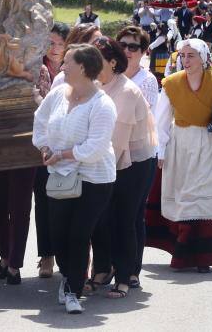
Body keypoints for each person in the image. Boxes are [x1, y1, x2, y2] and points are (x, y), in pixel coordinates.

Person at [32, 44, 117, 314]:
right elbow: (40, 120)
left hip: (94, 179)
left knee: (79, 234)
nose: (62, 66)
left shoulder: (103, 104)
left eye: (67, 62)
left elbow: (95, 148)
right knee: (58, 234)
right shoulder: (57, 94)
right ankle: (70, 277)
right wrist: (45, 148)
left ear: (82, 67)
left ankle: (73, 290)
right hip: (60, 176)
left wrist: (62, 154)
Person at [147, 39, 212, 272]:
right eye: (183, 55)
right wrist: (160, 151)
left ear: (203, 58)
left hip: (211, 145)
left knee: (205, 197)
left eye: (191, 55)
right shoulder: (171, 83)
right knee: (186, 198)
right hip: (182, 145)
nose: (186, 60)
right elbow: (160, 121)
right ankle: (184, 252)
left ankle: (205, 256)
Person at [89, 37, 157, 300]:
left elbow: (118, 142)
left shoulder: (127, 91)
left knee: (123, 220)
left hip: (134, 163)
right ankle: (102, 270)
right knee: (100, 218)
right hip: (104, 162)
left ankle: (125, 276)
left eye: (96, 59)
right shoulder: (96, 86)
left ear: (112, 62)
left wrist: (93, 169)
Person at [116, 26, 159, 288]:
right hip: (113, 153)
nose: (127, 51)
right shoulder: (110, 75)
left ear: (143, 52)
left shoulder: (147, 80)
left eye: (134, 47)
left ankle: (132, 269)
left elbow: (142, 117)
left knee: (133, 214)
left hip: (140, 154)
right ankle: (113, 264)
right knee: (114, 214)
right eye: (123, 44)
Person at [34, 22, 69, 278]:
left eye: (60, 43)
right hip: (45, 142)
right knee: (44, 198)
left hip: (70, 144)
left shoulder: (75, 66)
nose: (55, 48)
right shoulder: (38, 67)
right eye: (51, 42)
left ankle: (70, 255)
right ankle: (46, 255)